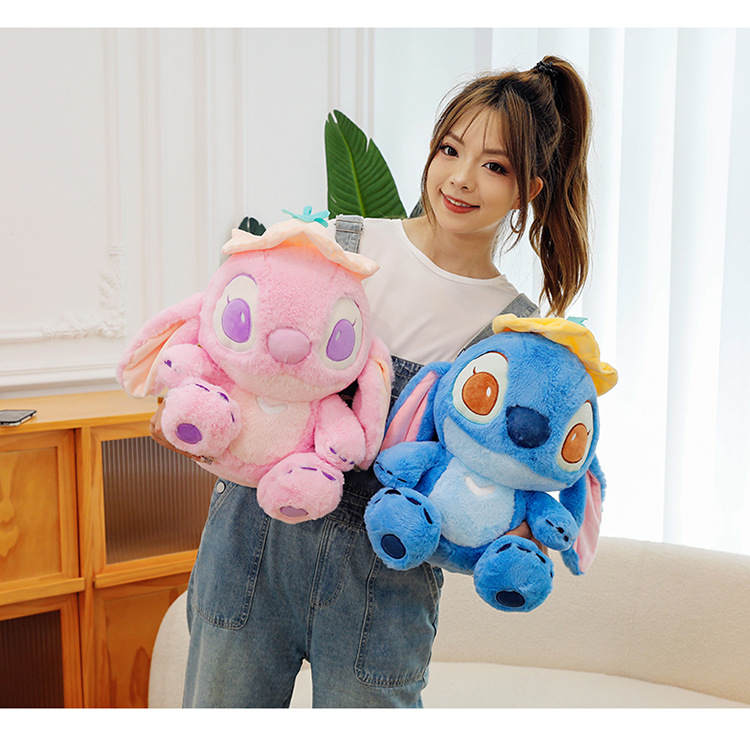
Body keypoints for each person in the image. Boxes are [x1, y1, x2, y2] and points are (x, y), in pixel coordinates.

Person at [151, 55, 593, 708]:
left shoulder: (511, 334)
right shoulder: (343, 245)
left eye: (494, 166)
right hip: (252, 544)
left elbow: (496, 475)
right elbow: (235, 352)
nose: (461, 178)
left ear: (528, 188)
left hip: (384, 585)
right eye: (450, 149)